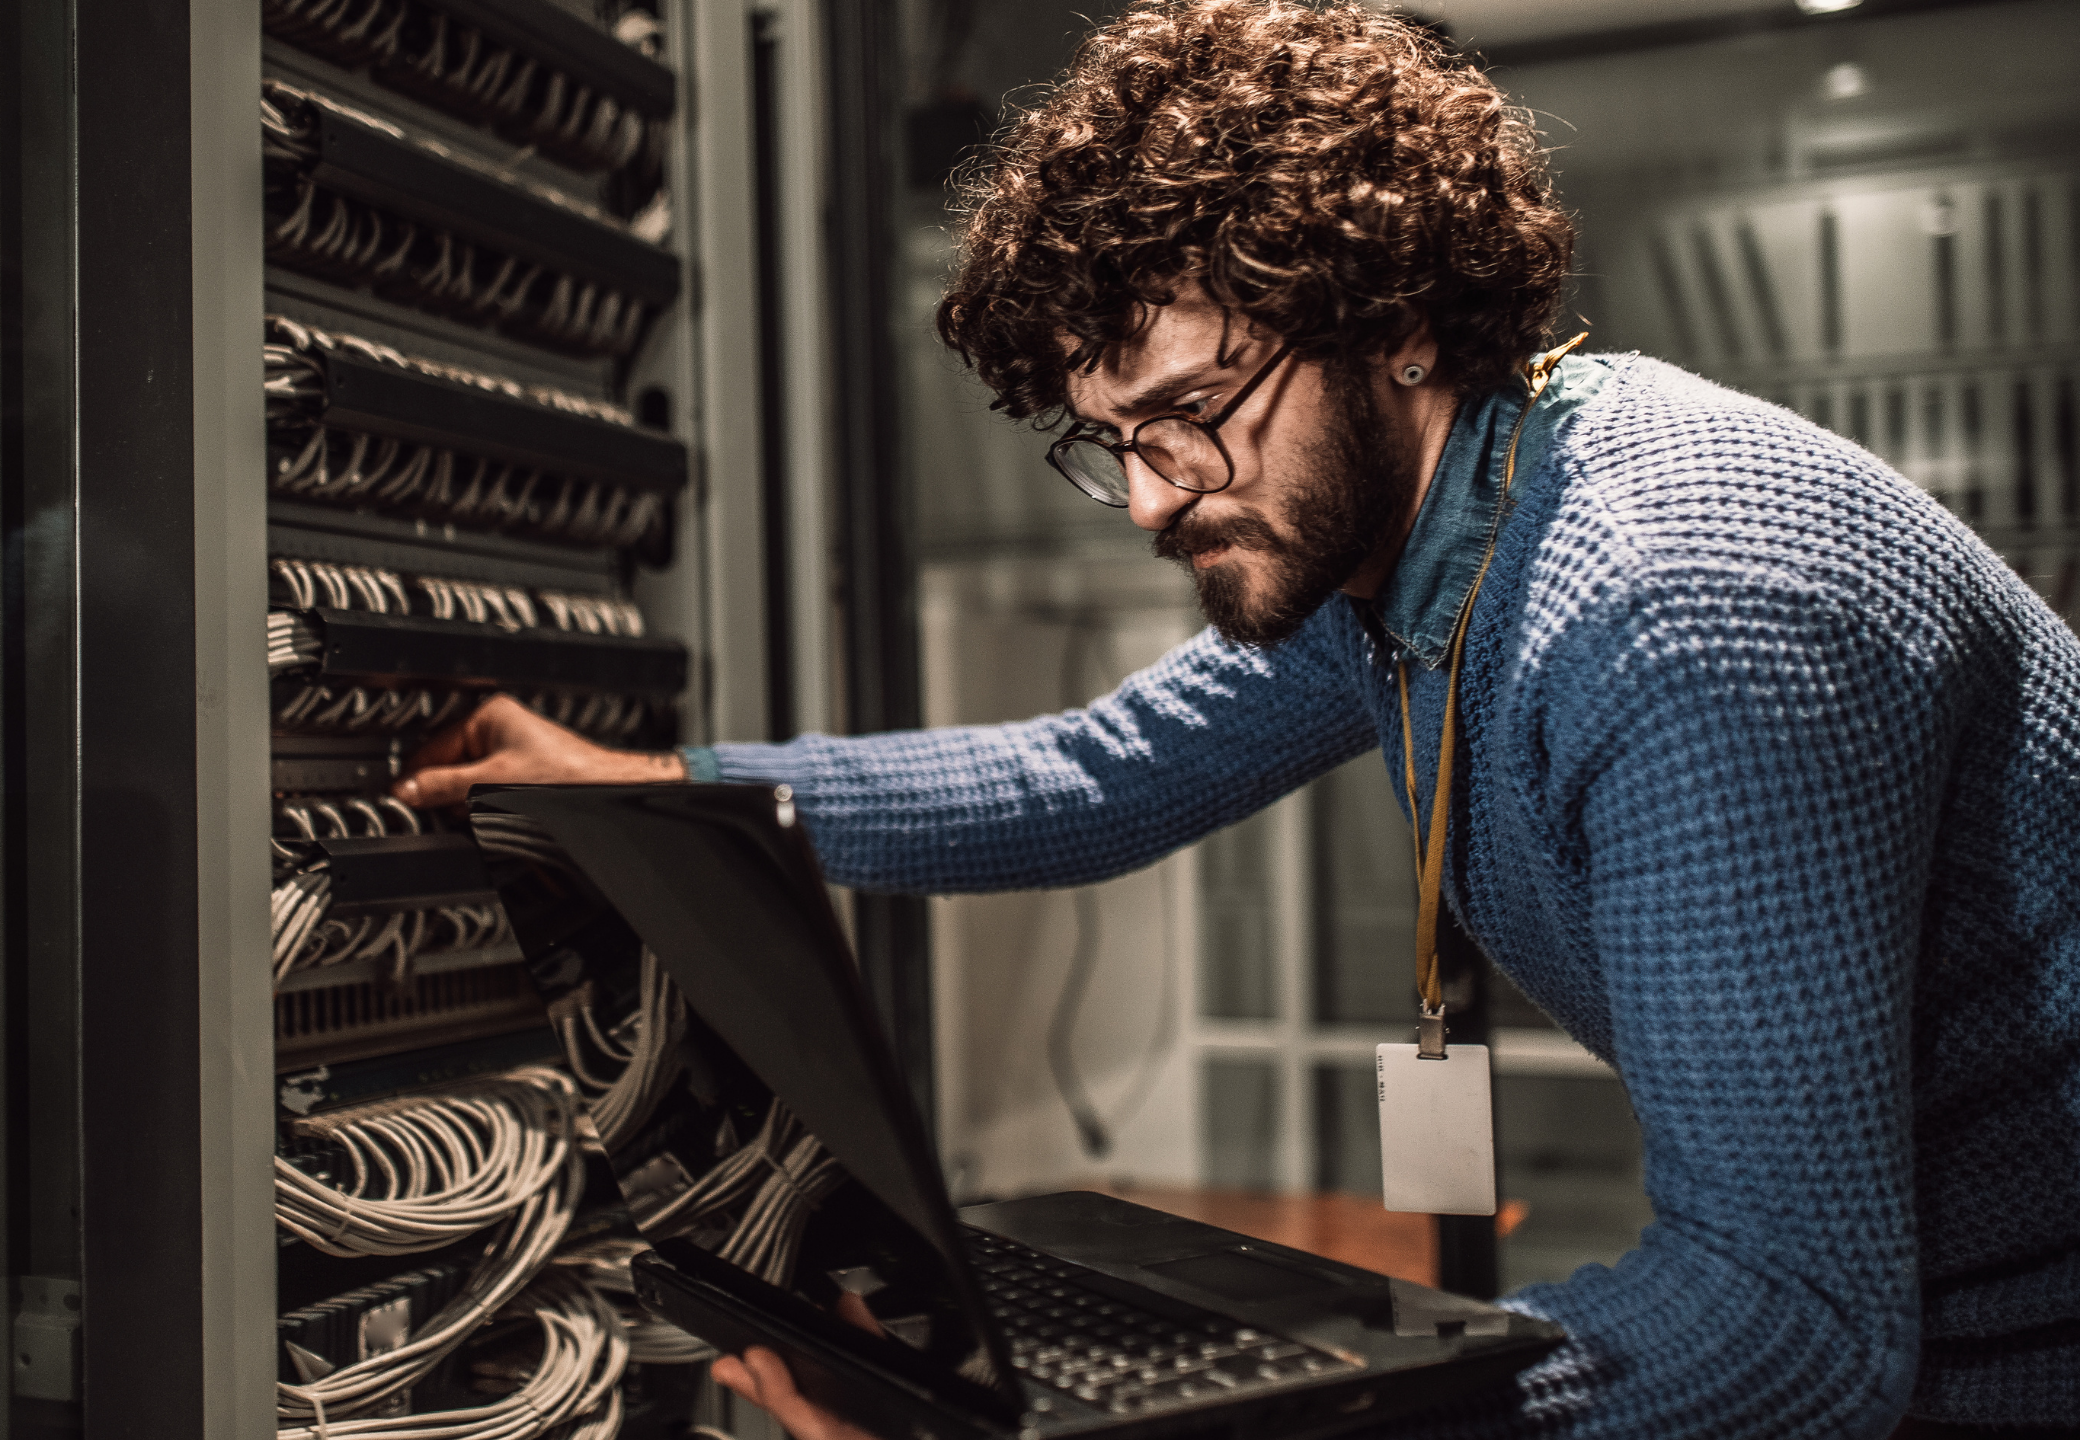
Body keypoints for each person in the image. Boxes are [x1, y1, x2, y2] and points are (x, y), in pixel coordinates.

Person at [394, 2, 2080, 1435]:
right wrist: (649, 785)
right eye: (1109, 440)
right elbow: (1089, 774)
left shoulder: (1673, 605)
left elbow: (1794, 1332)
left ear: (1399, 318)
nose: (1146, 501)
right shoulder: (1417, 550)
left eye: (1191, 416)